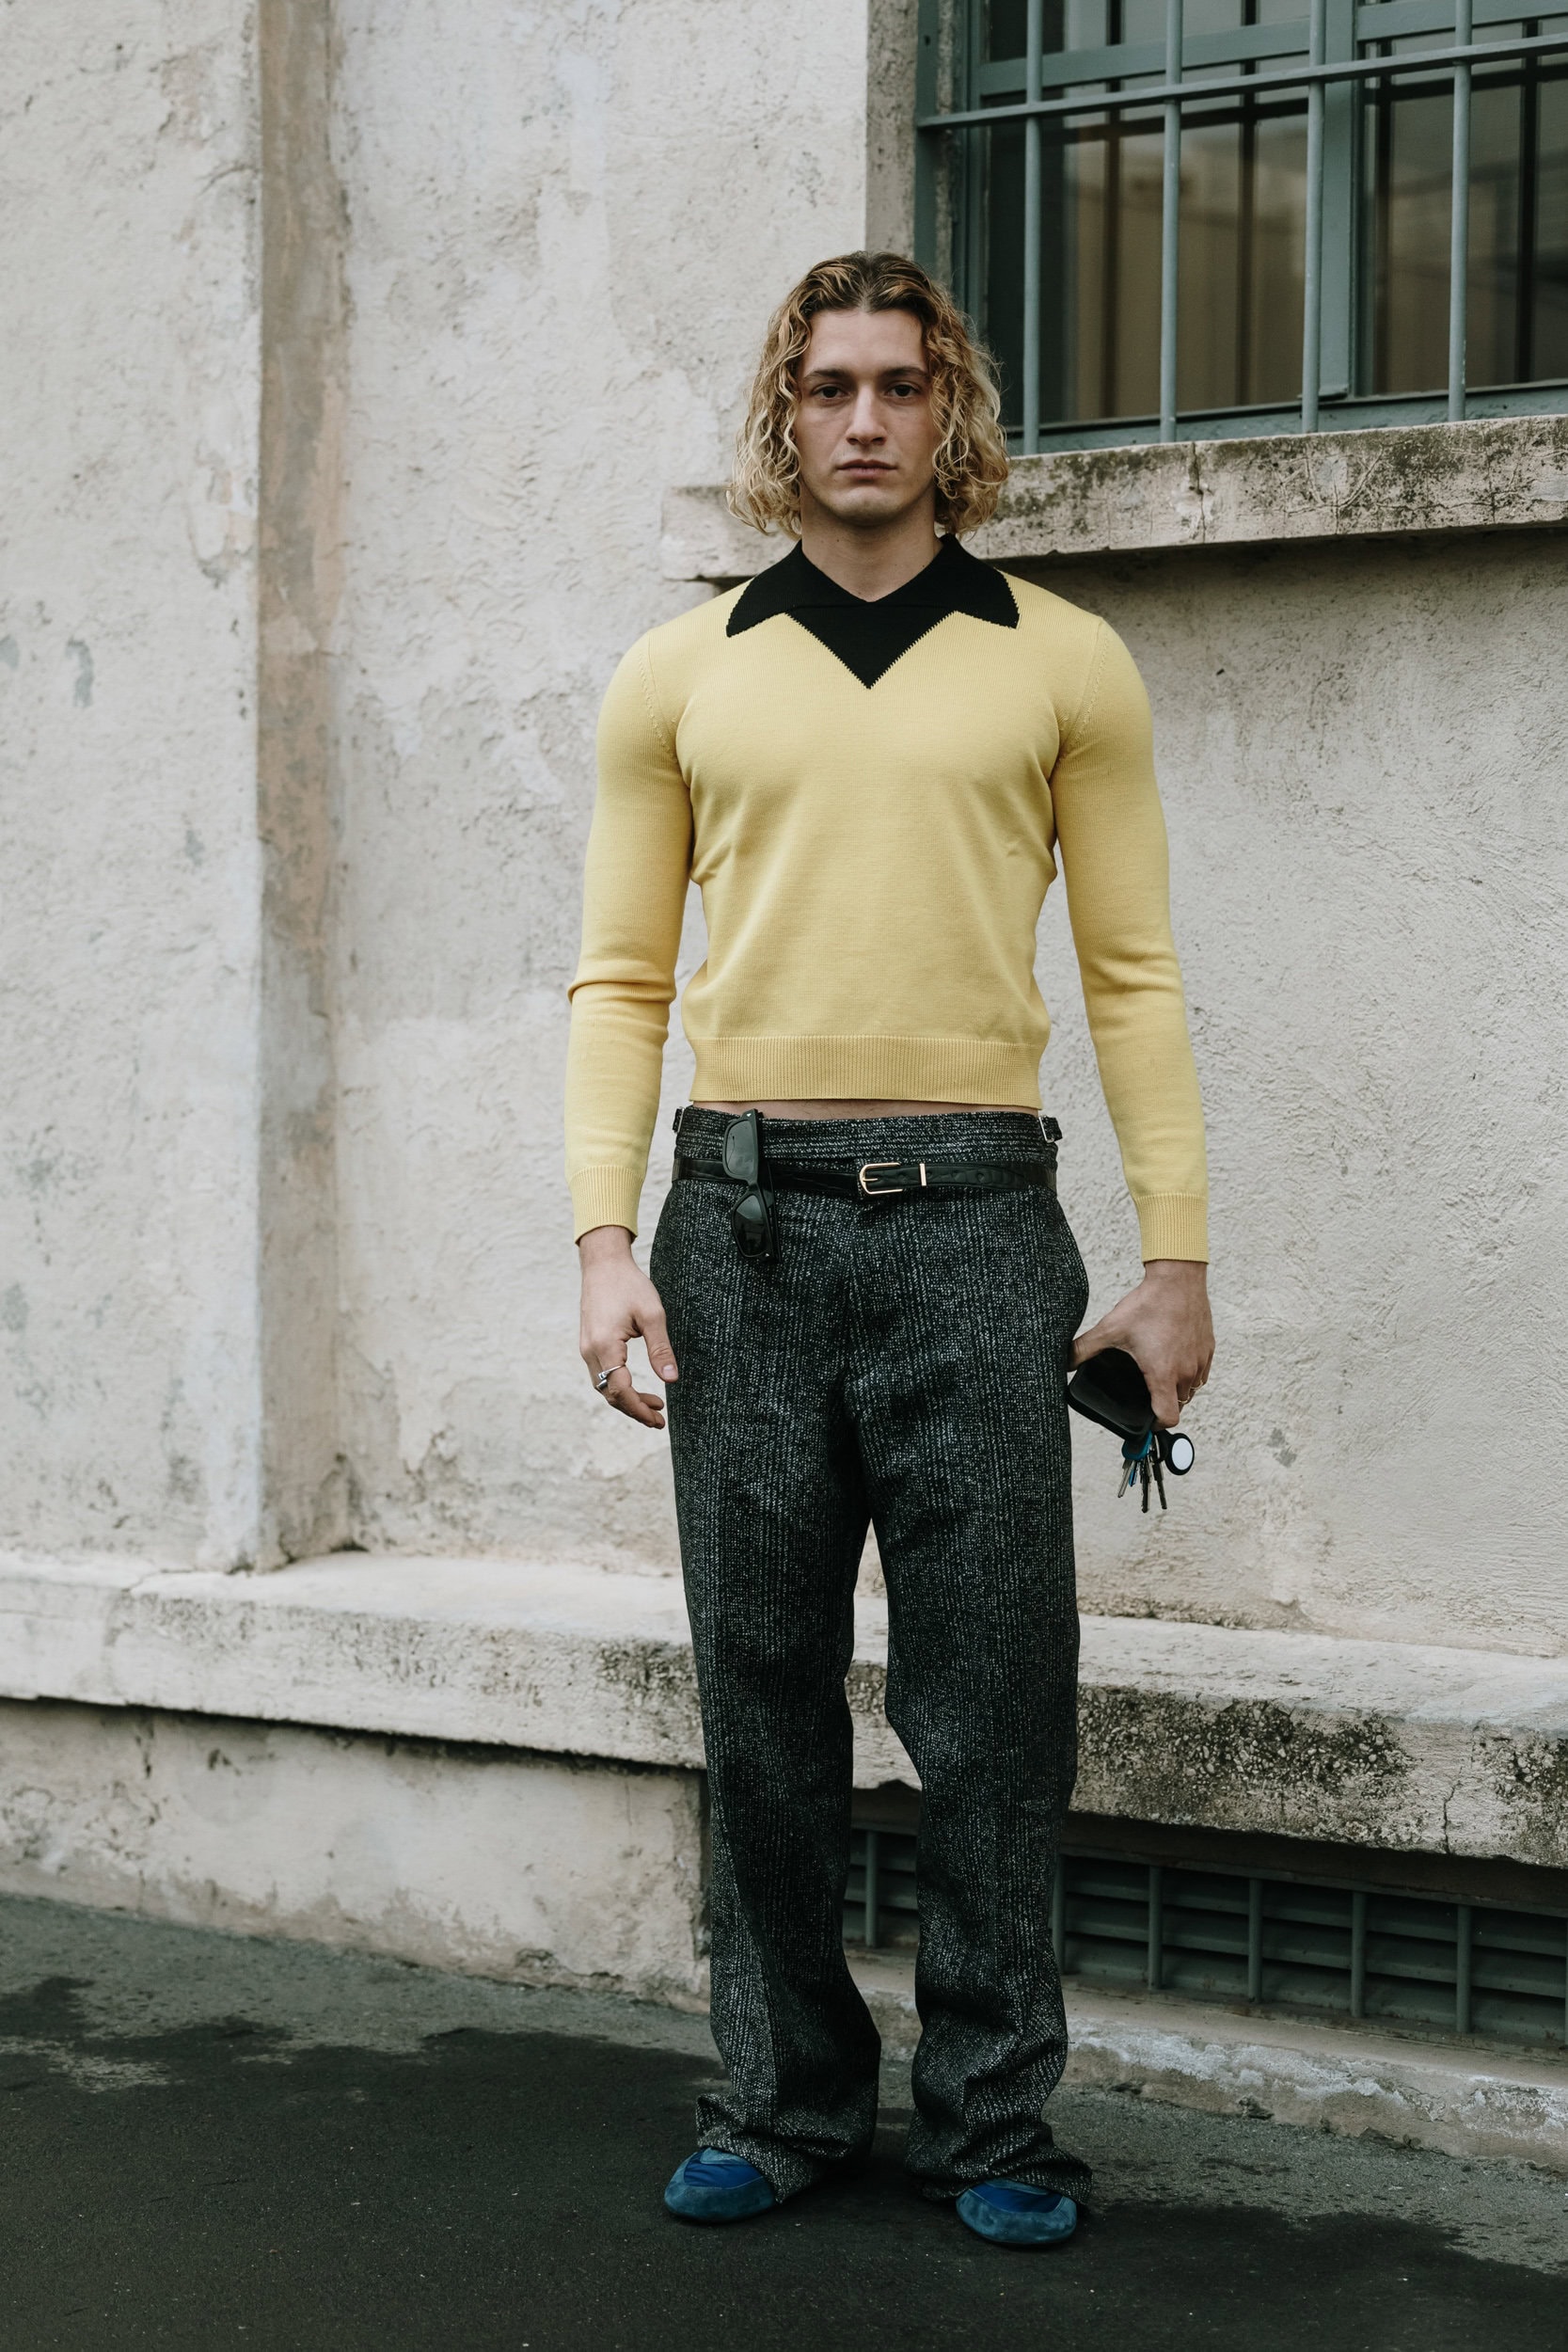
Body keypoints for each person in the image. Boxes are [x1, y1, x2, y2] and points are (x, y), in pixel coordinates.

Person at [564, 251, 1212, 2249]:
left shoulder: (1062, 662)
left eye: (901, 384)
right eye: (830, 384)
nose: (865, 418)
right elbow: (620, 978)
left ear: (952, 412)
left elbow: (1130, 975)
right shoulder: (682, 673)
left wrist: (1176, 1255)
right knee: (759, 1693)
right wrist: (603, 1238)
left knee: (995, 1705)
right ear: (787, 412)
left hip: (980, 1230)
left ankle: (996, 2124)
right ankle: (781, 2099)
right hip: (740, 1228)